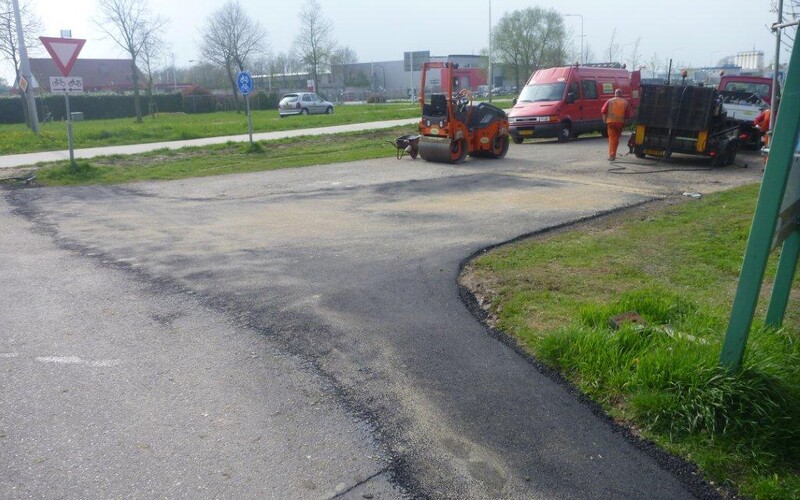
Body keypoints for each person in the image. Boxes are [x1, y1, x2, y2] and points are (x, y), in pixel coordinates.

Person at [601, 88, 632, 161]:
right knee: (616, 139)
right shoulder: (625, 102)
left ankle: (612, 156)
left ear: (615, 93)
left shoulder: (610, 101)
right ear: (621, 94)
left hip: (611, 123)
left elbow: (603, 111)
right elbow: (627, 115)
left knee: (612, 139)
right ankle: (613, 153)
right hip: (620, 123)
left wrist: (604, 119)